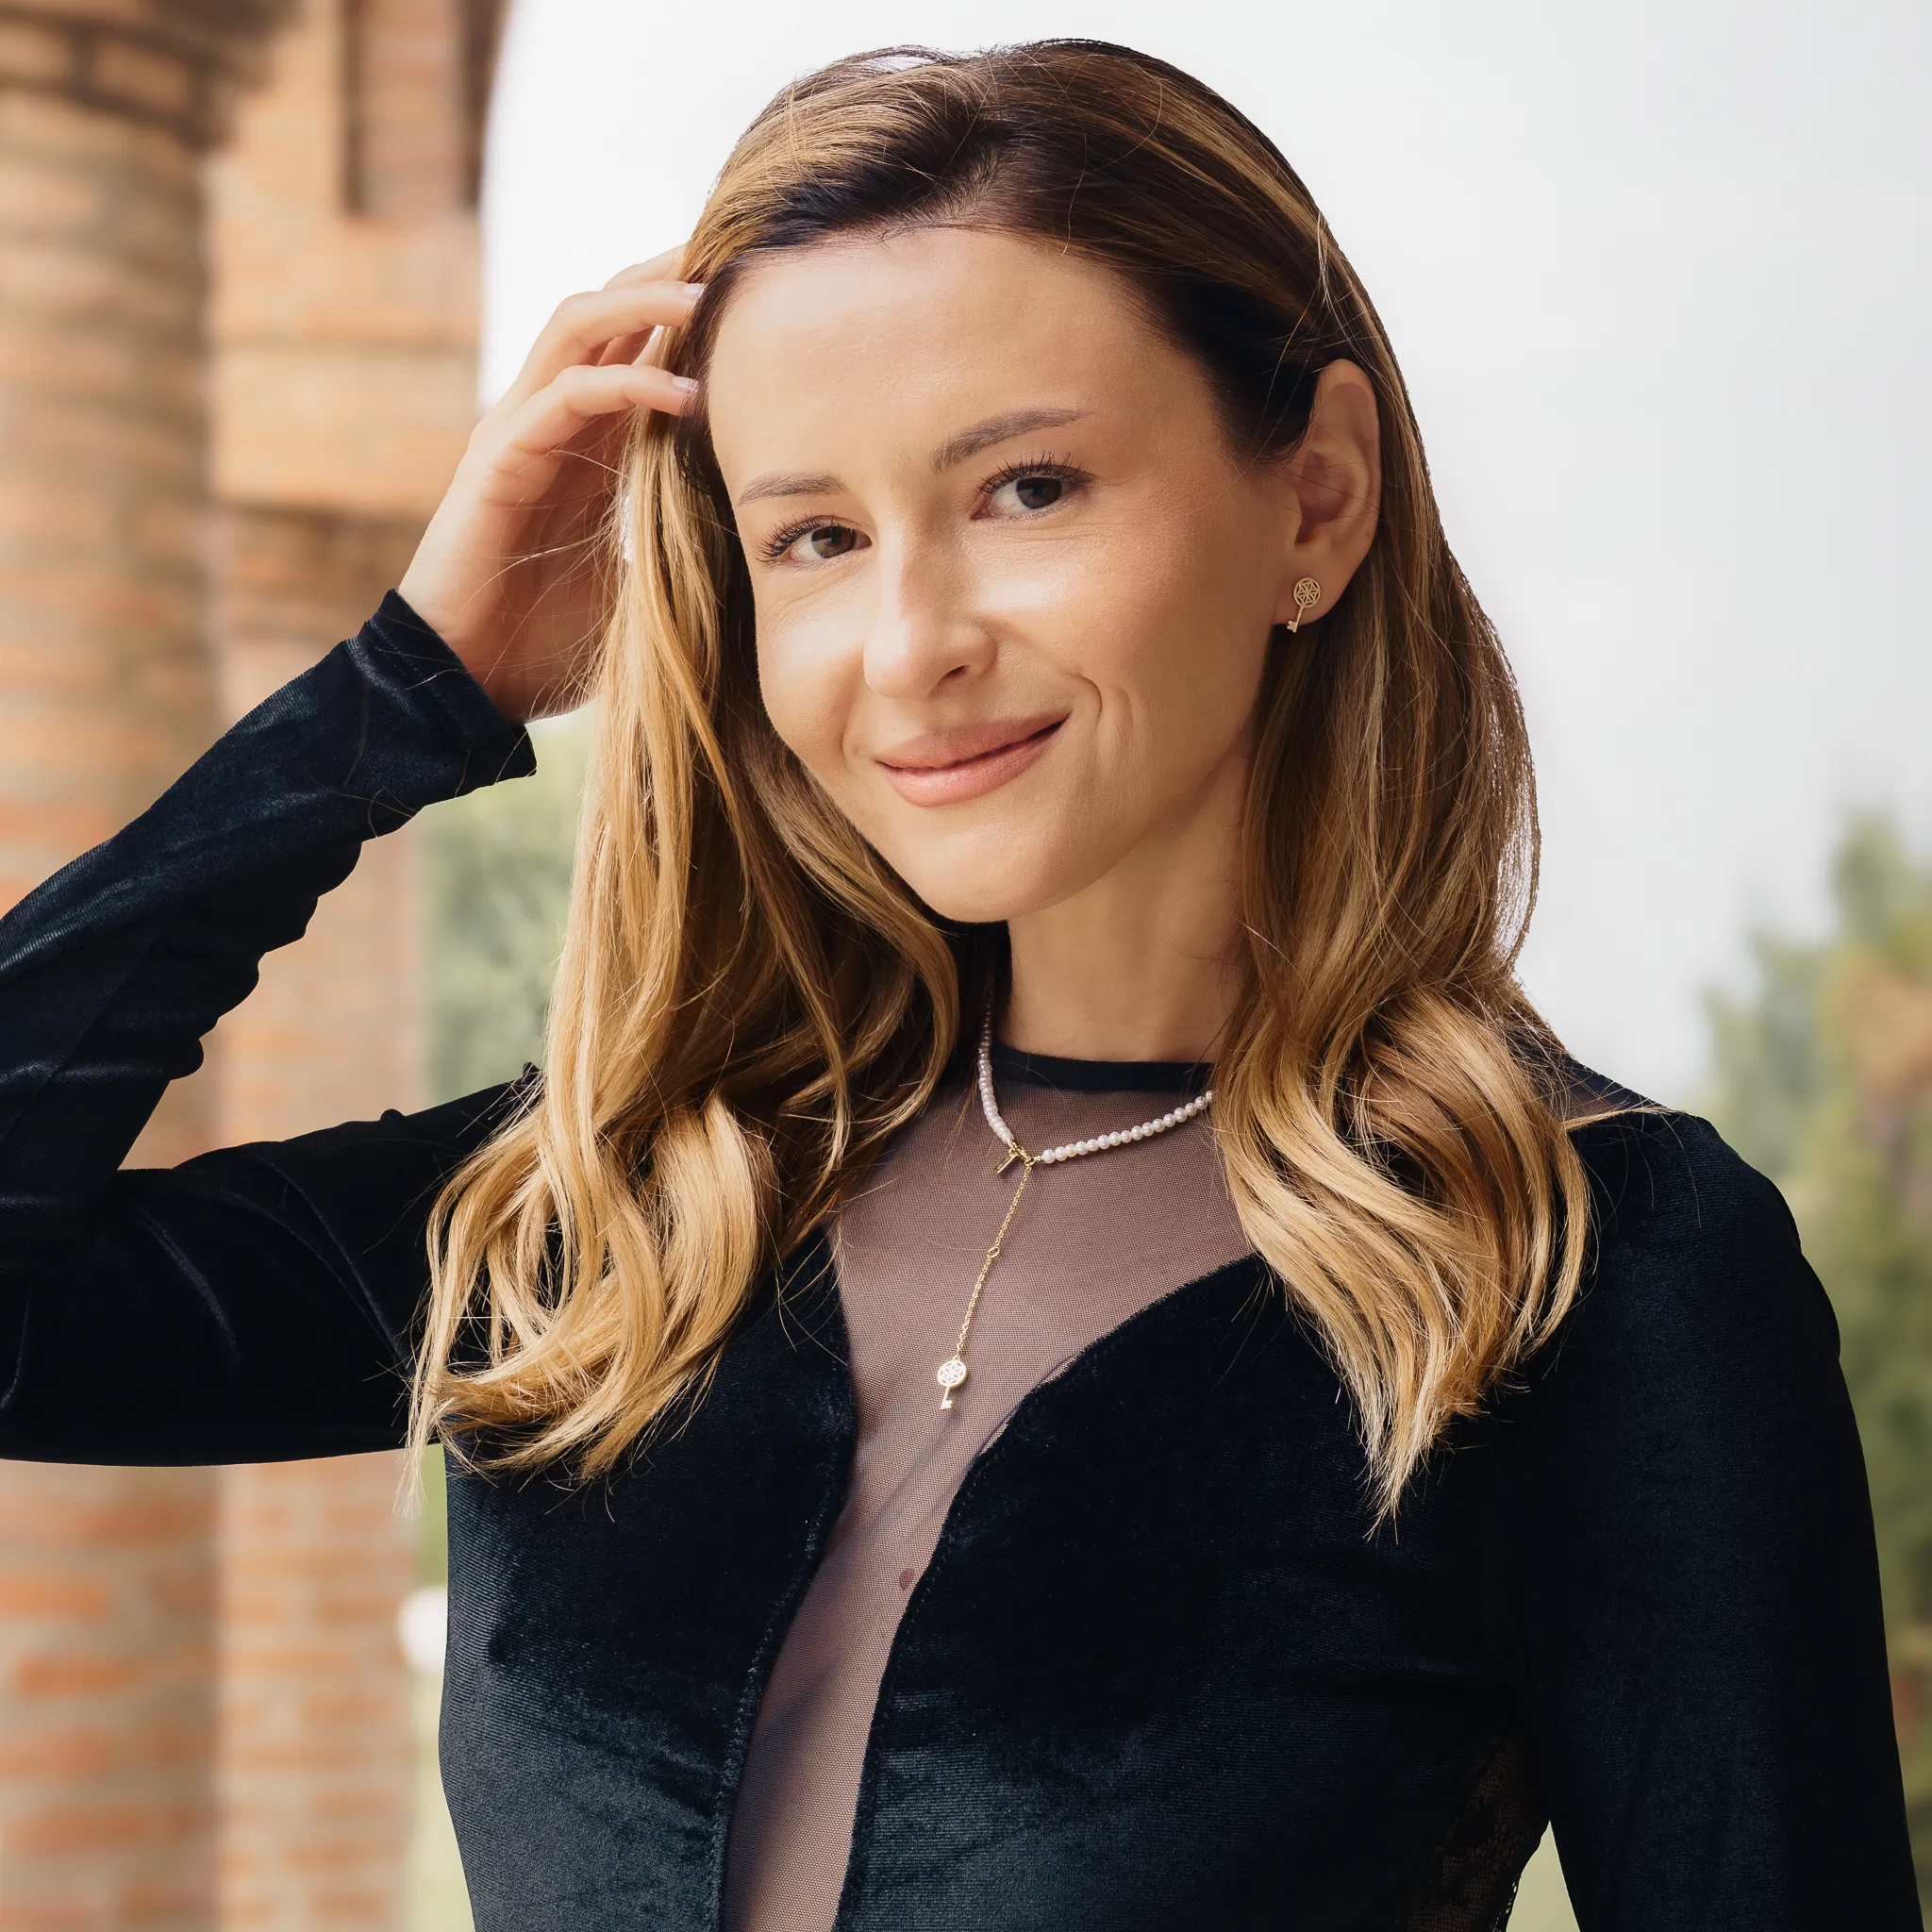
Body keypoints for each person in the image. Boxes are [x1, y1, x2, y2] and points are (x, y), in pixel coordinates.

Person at [0, 39, 1917, 1932]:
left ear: (1318, 499)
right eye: (815, 537)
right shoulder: (613, 1216)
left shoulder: (1584, 1271)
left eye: (1027, 489)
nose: (909, 642)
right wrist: (406, 688)